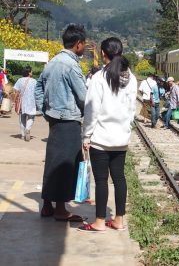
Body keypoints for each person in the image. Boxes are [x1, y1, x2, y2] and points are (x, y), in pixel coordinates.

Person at [79, 37, 137, 232]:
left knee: (101, 180)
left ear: (103, 54)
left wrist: (86, 136)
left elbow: (91, 111)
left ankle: (100, 222)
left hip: (101, 139)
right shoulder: (132, 78)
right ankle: (119, 220)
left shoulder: (99, 78)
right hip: (121, 139)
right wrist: (126, 129)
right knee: (119, 178)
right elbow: (132, 110)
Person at [35, 23, 87, 221]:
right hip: (69, 121)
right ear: (78, 44)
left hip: (55, 120)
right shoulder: (71, 65)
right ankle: (61, 209)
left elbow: (38, 88)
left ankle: (47, 205)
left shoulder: (52, 62)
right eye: (84, 44)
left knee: (52, 162)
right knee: (67, 164)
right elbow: (83, 96)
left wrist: (45, 110)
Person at [13, 66, 37, 141]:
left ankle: (23, 135)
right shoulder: (34, 81)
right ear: (29, 72)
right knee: (31, 117)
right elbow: (37, 92)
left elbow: (16, 91)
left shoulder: (20, 80)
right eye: (31, 71)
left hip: (22, 102)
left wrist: (14, 101)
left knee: (22, 118)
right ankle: (28, 128)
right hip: (31, 102)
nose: (32, 73)